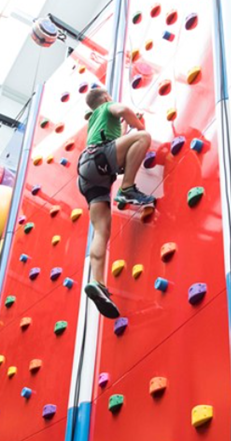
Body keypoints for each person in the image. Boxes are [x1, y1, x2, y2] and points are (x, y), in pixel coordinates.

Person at [78, 87, 155, 319]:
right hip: (98, 159)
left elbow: (117, 142)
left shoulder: (95, 122)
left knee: (102, 230)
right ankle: (128, 188)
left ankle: (97, 282)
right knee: (144, 137)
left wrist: (126, 127)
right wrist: (139, 127)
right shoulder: (107, 106)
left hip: (87, 174)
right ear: (106, 98)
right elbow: (121, 109)